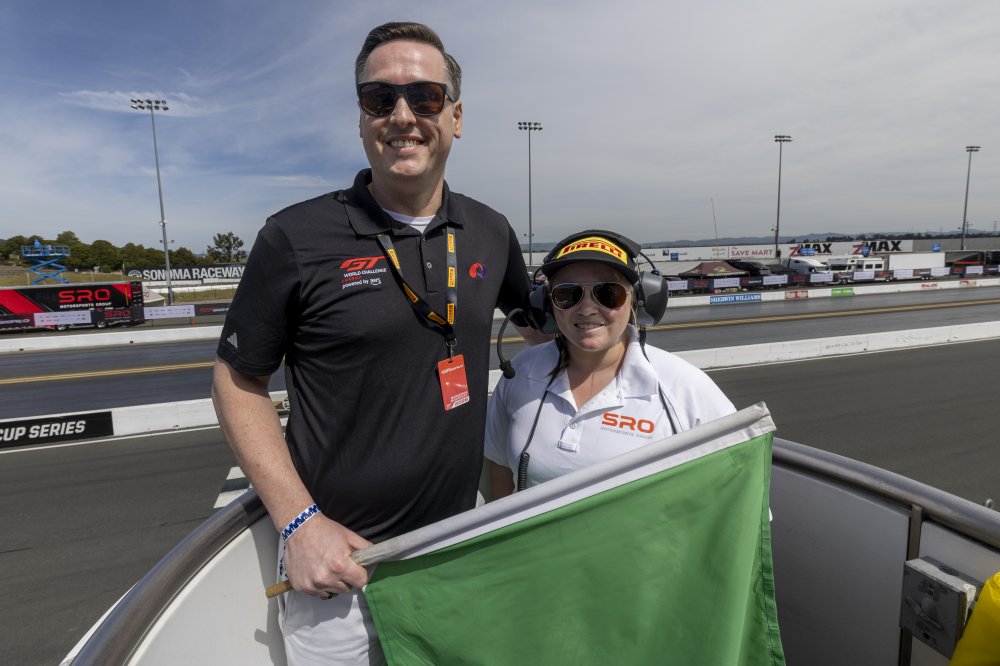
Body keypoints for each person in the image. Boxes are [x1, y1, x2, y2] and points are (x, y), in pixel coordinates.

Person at [211, 21, 539, 665]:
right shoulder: (295, 236)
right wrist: (300, 525)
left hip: (457, 547)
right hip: (340, 567)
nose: (402, 116)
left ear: (456, 117)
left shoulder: (490, 229)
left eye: (425, 96)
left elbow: (547, 326)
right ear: (361, 119)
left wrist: (610, 298)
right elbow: (236, 379)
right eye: (379, 98)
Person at [486, 230, 736, 496]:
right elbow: (499, 464)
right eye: (567, 294)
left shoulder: (685, 387)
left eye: (608, 293)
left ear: (637, 301)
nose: (587, 309)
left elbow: (737, 485)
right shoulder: (521, 372)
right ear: (547, 305)